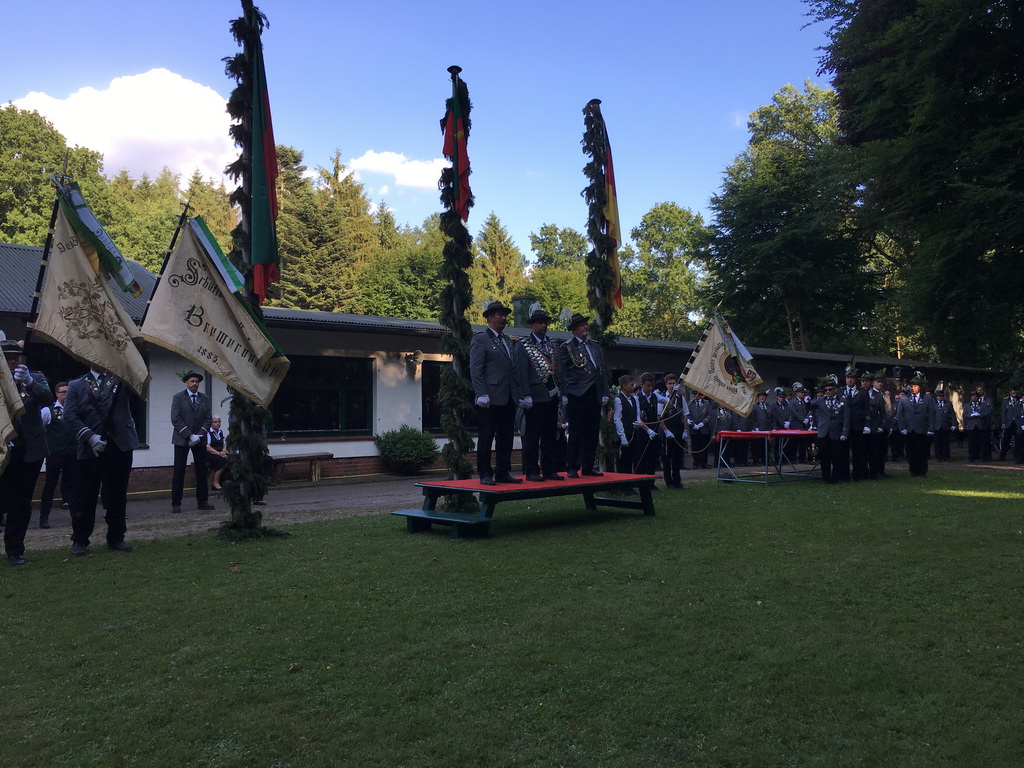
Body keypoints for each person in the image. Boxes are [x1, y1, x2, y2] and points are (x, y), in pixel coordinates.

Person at [64, 369, 139, 556]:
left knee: (117, 494)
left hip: (120, 444)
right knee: (85, 496)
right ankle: (80, 539)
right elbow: (70, 416)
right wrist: (89, 437)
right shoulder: (76, 385)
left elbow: (139, 387)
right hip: (91, 446)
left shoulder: (122, 380)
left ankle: (116, 537)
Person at [1, 338, 51, 565]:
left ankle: (15, 549)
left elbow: (48, 398)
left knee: (21, 502)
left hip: (28, 450)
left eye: (15, 358)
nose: (13, 362)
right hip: (4, 448)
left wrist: (29, 383)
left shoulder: (35, 377)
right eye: (7, 358)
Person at [470, 301, 522, 486]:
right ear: (490, 318)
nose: (504, 318)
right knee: (486, 435)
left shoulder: (508, 340)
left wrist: (520, 393)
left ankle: (502, 471)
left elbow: (513, 370)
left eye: (505, 315)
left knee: (506, 436)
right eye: (500, 315)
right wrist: (481, 393)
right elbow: (476, 369)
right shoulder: (481, 339)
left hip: (508, 396)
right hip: (490, 397)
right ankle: (485, 472)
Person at [512, 309, 563, 482]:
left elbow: (558, 370)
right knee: (532, 435)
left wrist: (562, 391)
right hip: (534, 396)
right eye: (540, 322)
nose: (543, 325)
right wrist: (526, 393)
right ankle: (532, 470)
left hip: (552, 394)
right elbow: (521, 371)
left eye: (545, 322)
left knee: (550, 434)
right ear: (532, 325)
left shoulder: (552, 343)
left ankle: (549, 469)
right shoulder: (524, 344)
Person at [556, 313, 608, 478]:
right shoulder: (567, 347)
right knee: (576, 432)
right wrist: (565, 393)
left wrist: (604, 391)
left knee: (592, 431)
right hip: (577, 393)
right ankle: (572, 466)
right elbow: (562, 372)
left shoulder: (594, 345)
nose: (585, 327)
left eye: (586, 324)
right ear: (573, 330)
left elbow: (601, 370)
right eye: (581, 325)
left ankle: (588, 466)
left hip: (594, 392)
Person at [170, 371, 215, 512]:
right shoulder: (178, 397)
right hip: (182, 439)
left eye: (196, 382)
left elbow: (208, 418)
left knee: (201, 471)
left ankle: (203, 501)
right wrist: (189, 435)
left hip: (199, 440)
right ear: (186, 383)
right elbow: (175, 418)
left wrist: (200, 434)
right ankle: (176, 503)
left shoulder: (205, 398)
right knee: (179, 471)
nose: (194, 384)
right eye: (192, 381)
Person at [38, 380, 78, 529]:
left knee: (72, 486)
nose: (66, 395)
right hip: (54, 454)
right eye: (63, 392)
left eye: (68, 392)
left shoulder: (75, 409)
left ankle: (75, 517)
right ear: (56, 394)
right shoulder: (47, 411)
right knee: (50, 485)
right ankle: (44, 518)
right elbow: (40, 429)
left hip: (72, 454)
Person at [809, 376, 850, 484]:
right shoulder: (820, 400)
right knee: (824, 457)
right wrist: (806, 401)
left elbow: (846, 418)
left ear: (835, 390)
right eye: (826, 390)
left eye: (830, 389)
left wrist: (845, 432)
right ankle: (825, 477)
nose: (827, 392)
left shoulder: (842, 401)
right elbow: (809, 407)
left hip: (836, 432)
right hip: (824, 432)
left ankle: (836, 477)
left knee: (837, 457)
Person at [896, 376, 936, 477]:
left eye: (915, 386)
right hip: (909, 429)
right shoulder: (904, 399)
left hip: (922, 429)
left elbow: (931, 414)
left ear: (920, 387)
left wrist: (931, 428)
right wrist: (902, 428)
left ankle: (922, 471)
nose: (913, 388)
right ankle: (913, 470)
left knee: (922, 451)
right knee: (910, 451)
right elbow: (900, 415)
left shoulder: (927, 399)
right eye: (912, 386)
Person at [660, 374, 689, 488]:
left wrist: (685, 430)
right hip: (668, 430)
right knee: (667, 457)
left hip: (679, 429)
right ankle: (669, 481)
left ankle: (677, 480)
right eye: (670, 383)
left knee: (677, 457)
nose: (672, 385)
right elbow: (659, 417)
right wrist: (666, 431)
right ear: (666, 385)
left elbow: (685, 414)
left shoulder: (681, 398)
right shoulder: (662, 397)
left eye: (674, 383)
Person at [866, 372, 893, 478]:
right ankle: (874, 471)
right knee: (874, 451)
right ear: (873, 383)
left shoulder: (884, 394)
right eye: (878, 382)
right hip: (874, 425)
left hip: (884, 425)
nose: (880, 384)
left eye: (882, 382)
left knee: (882, 450)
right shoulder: (870, 394)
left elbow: (888, 411)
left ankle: (881, 470)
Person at [612, 374, 639, 474]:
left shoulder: (634, 399)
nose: (633, 387)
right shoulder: (618, 399)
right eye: (631, 385)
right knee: (623, 461)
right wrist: (622, 436)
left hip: (633, 433)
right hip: (624, 433)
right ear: (624, 386)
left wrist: (638, 423)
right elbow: (617, 419)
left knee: (631, 459)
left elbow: (636, 414)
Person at [688, 390, 713, 469]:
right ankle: (696, 463)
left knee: (704, 446)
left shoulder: (706, 403)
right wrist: (693, 424)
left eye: (696, 394)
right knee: (695, 446)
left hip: (703, 428)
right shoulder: (690, 403)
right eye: (693, 394)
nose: (694, 396)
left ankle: (704, 463)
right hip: (694, 428)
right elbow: (687, 415)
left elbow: (710, 415)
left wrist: (703, 423)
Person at [961, 390, 988, 462]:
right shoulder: (967, 406)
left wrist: (980, 415)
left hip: (980, 426)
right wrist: (970, 415)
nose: (974, 398)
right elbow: (965, 415)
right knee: (971, 443)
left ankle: (984, 457)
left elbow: (986, 414)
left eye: (976, 396)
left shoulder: (983, 405)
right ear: (971, 397)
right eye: (973, 396)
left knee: (982, 443)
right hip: (971, 427)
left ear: (978, 397)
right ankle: (971, 457)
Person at [931, 389, 957, 462]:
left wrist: (954, 424)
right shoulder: (933, 404)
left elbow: (952, 415)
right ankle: (938, 457)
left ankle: (946, 456)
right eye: (938, 396)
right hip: (936, 426)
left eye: (941, 396)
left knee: (945, 442)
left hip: (946, 426)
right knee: (937, 443)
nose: (940, 397)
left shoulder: (948, 404)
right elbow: (931, 415)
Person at [997, 387, 1021, 462]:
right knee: (1005, 440)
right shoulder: (1006, 400)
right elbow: (1004, 413)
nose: (1014, 393)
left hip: (1017, 423)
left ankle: (1017, 456)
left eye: (1015, 392)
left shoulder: (1019, 400)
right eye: (1013, 392)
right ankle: (1002, 456)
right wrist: (1003, 423)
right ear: (1010, 392)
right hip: (1008, 423)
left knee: (1018, 440)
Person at [206, 415, 230, 490]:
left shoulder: (220, 432)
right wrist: (219, 453)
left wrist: (224, 450)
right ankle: (215, 483)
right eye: (215, 422)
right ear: (211, 423)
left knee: (230, 458)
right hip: (210, 454)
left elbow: (224, 443)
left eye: (219, 422)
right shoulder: (208, 433)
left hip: (219, 453)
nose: (217, 423)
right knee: (222, 460)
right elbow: (208, 447)